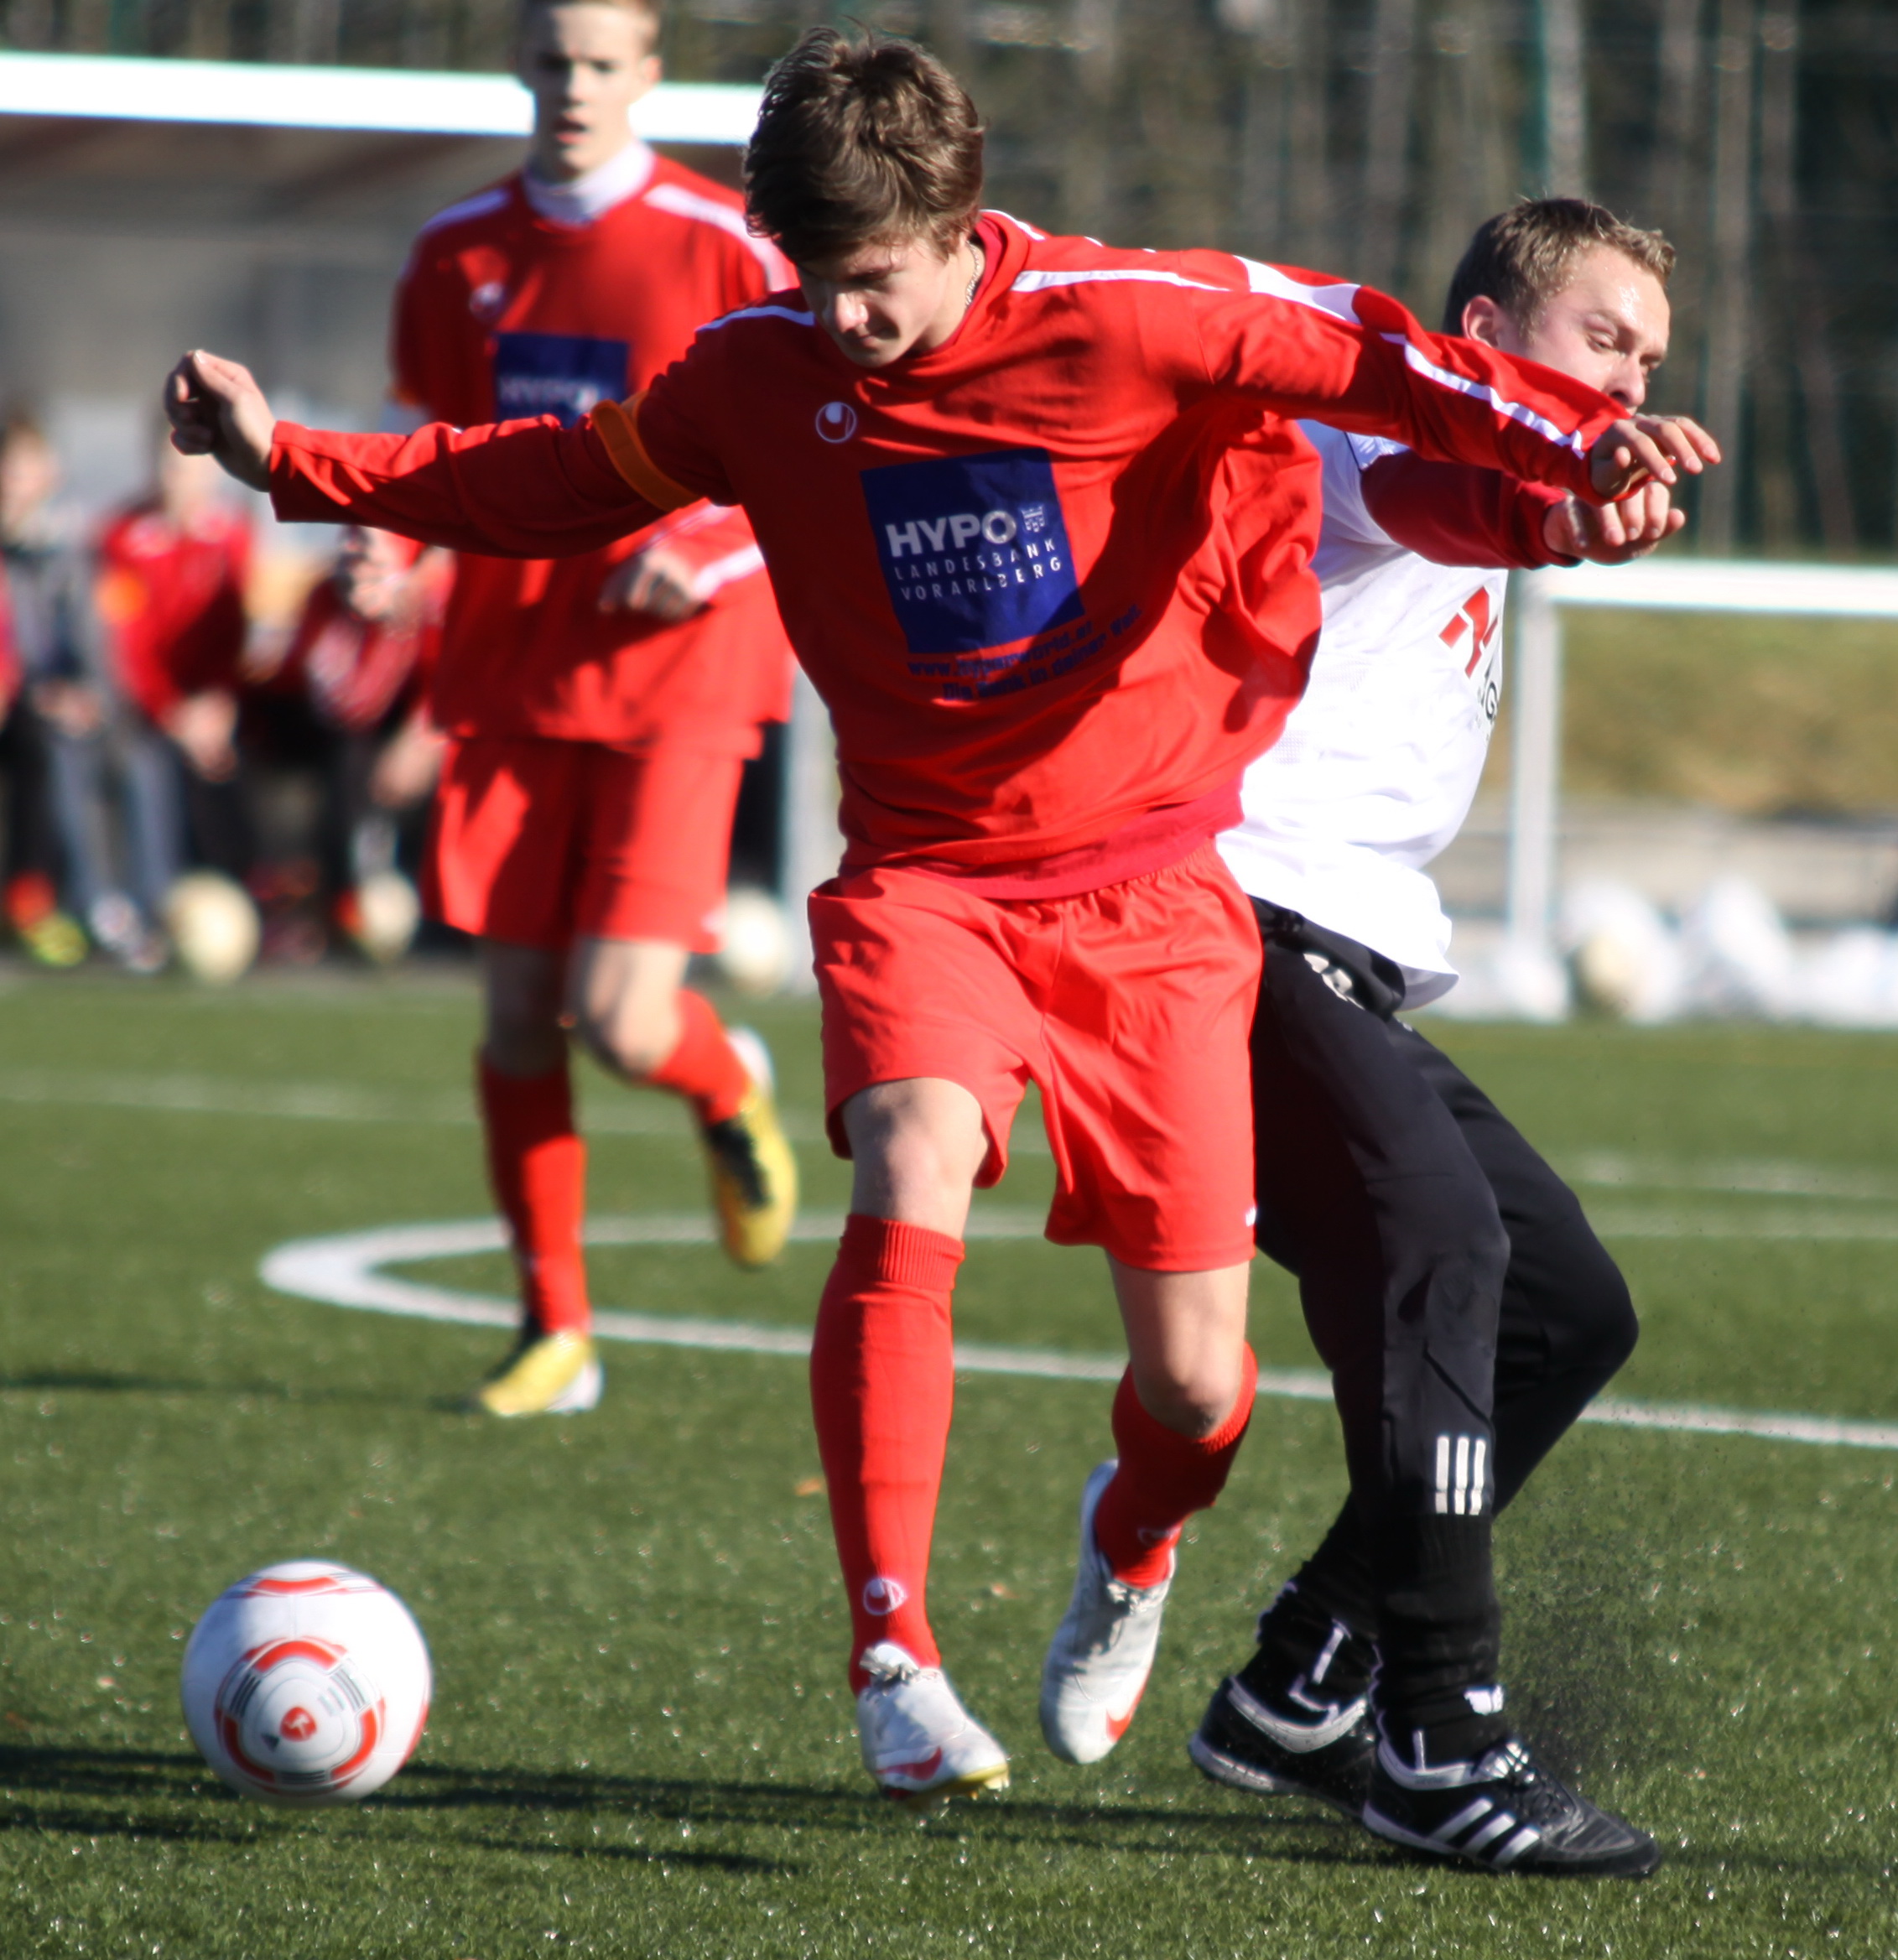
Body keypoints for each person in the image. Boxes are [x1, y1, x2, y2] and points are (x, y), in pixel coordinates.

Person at [163, 29, 1716, 1809]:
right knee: (909, 1159)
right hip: (926, 881)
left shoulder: (1127, 315)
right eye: (815, 277)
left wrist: (1580, 442)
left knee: (1198, 1390)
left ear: (961, 226)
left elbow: (1377, 359)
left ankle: (1132, 1535)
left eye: (876, 281)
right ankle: (890, 1649)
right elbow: (558, 476)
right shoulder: (762, 368)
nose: (844, 319)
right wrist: (299, 463)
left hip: (1152, 895)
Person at [1165, 200, 1686, 1877]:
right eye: (1601, 338)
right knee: (1445, 1245)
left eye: (1649, 358)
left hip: (1338, 952)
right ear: (1483, 333)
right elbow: (1440, 491)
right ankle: (1440, 1744)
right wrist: (1567, 510)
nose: (1629, 375)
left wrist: (1566, 497)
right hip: (1229, 929)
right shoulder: (1370, 420)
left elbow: (1503, 499)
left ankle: (1303, 1676)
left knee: (1563, 1307)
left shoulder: (1519, 463)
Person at [381, 0, 801, 1418]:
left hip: (677, 679)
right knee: (514, 1017)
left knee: (619, 1021)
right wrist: (387, 552)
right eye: (553, 61)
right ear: (521, 65)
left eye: (602, 65)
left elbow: (811, 448)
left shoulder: (722, 243)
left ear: (648, 75)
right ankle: (555, 1327)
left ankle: (721, 1082)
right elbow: (430, 449)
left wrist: (705, 551)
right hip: (510, 673)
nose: (574, 87)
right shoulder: (455, 253)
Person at [242, 527, 449, 955]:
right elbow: (342, 700)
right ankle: (325, 902)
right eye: (349, 544)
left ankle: (434, 916)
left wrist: (420, 739)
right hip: (345, 736)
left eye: (368, 550)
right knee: (341, 757)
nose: (353, 556)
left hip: (412, 731)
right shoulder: (327, 597)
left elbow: (453, 685)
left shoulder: (431, 601)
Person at [94, 441, 254, 935]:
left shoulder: (232, 535)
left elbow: (233, 632)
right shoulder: (121, 538)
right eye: (171, 465)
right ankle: (155, 905)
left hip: (212, 703)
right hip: (147, 703)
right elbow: (128, 646)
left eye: (194, 466)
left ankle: (251, 898)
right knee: (145, 761)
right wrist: (172, 713)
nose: (182, 478)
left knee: (229, 757)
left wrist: (219, 702)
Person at [0, 408, 118, 968]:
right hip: (15, 699)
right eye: (6, 469)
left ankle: (56, 900)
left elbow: (92, 651)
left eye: (22, 469)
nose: (11, 483)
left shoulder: (66, 555)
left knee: (62, 745)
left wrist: (82, 694)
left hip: (37, 707)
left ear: (49, 476)